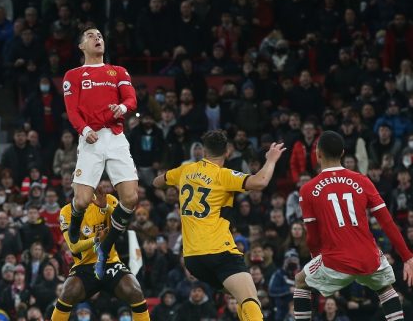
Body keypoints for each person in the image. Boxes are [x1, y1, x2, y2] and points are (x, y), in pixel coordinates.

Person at [153, 129, 285, 321]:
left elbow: (157, 182)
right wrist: (271, 159)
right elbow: (260, 181)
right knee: (250, 298)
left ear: (204, 151)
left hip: (193, 259)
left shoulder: (185, 170)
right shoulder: (223, 175)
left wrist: (177, 184)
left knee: (240, 296)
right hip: (219, 252)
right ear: (227, 152)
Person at [293, 130, 413, 321]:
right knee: (384, 288)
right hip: (368, 257)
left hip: (335, 259)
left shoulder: (308, 189)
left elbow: (312, 237)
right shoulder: (363, 180)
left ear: (318, 153)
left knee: (300, 281)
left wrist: (317, 258)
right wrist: (407, 256)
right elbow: (387, 222)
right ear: (342, 153)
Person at [62, 26, 139, 280]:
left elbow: (131, 99)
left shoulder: (118, 71)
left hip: (115, 137)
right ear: (81, 46)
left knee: (130, 198)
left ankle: (107, 244)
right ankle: (75, 223)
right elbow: (72, 111)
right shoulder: (73, 75)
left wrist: (122, 108)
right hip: (90, 139)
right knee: (82, 201)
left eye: (100, 36)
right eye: (91, 35)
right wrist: (84, 130)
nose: (97, 38)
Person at [51, 184, 150, 321]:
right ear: (73, 186)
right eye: (79, 183)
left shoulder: (108, 199)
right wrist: (96, 239)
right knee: (68, 292)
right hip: (84, 265)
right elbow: (74, 247)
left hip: (110, 262)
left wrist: (105, 207)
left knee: (135, 291)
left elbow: (121, 226)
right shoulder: (66, 211)